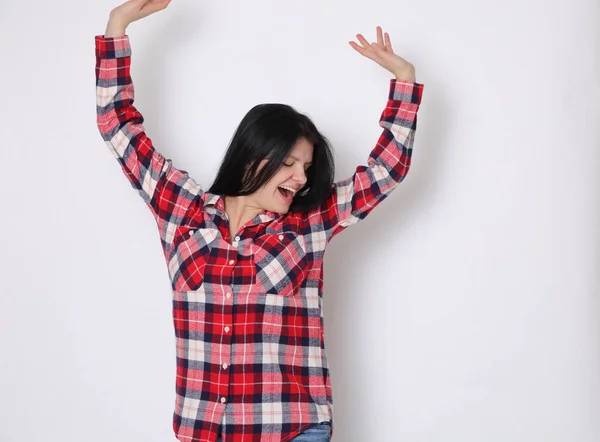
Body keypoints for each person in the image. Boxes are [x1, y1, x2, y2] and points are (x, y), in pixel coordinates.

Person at [95, 1, 424, 440]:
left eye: (306, 167)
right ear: (252, 158)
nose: (301, 177)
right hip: (204, 430)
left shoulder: (309, 226)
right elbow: (119, 127)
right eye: (289, 162)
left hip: (291, 429)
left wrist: (404, 81)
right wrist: (117, 26)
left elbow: (385, 171)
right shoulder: (182, 210)